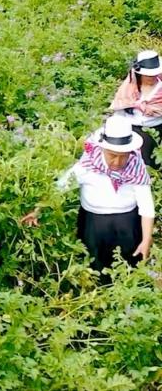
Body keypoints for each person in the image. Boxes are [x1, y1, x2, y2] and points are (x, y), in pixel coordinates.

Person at [21, 115, 154, 272]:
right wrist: (38, 211)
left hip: (126, 224)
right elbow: (60, 187)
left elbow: (146, 206)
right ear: (103, 148)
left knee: (128, 266)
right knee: (94, 265)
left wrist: (146, 239)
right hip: (93, 222)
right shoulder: (87, 165)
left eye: (123, 157)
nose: (117, 162)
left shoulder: (136, 167)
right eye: (112, 156)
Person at [110, 50, 162, 168]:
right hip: (129, 125)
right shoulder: (129, 87)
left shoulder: (160, 89)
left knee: (145, 158)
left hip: (153, 128)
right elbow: (120, 109)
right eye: (148, 75)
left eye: (154, 75)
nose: (151, 78)